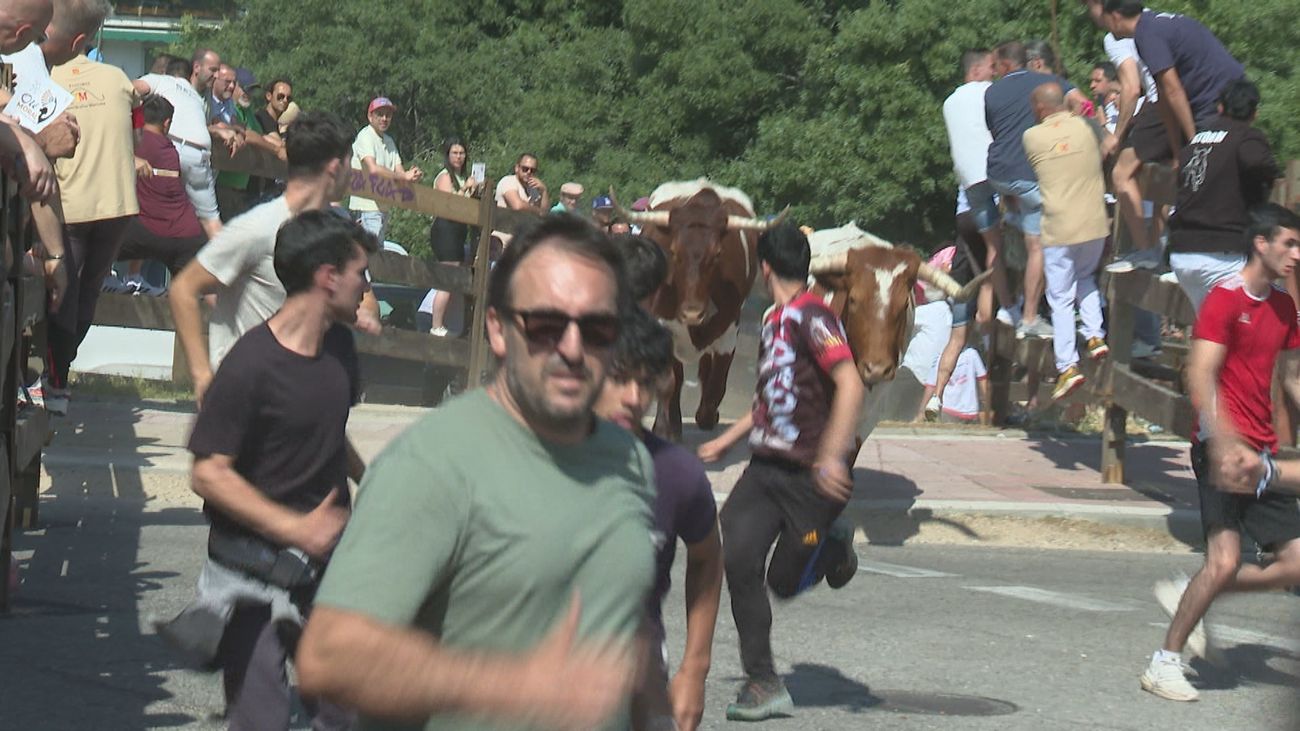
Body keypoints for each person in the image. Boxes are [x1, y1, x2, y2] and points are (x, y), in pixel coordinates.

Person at [295, 215, 656, 731]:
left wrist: (655, 708)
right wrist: (519, 686)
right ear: (498, 330)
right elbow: (328, 657)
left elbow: (619, 611)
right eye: (547, 326)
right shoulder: (433, 464)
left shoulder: (630, 458)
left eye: (596, 329)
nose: (573, 350)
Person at [156, 210, 374, 731]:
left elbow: (324, 430)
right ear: (327, 277)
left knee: (346, 714)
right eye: (361, 272)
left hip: (328, 574)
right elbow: (207, 474)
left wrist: (373, 482)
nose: (368, 286)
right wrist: (295, 528)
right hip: (251, 579)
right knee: (262, 719)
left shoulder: (341, 348)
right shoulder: (250, 365)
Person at [696, 223, 862, 722]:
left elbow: (850, 383)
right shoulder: (774, 319)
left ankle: (831, 543)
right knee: (738, 559)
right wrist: (727, 440)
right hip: (764, 470)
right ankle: (762, 680)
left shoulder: (815, 317)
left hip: (810, 480)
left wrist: (833, 456)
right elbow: (772, 393)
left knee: (784, 582)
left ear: (763, 268)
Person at [1140, 204, 1300, 702]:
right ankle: (1163, 663)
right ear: (1261, 244)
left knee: (1296, 564)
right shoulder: (1225, 300)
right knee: (1224, 561)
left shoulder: (1284, 307)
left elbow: (1293, 376)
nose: (1296, 254)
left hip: (1262, 452)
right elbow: (1200, 376)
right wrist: (1226, 442)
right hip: (1219, 448)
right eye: (1289, 244)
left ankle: (1195, 591)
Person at [168, 111, 375, 404]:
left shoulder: (341, 227)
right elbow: (183, 289)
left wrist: (362, 313)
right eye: (350, 161)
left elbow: (368, 301)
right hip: (247, 395)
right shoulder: (257, 227)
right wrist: (202, 375)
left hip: (305, 391)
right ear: (334, 166)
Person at [595, 307, 722, 731]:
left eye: (646, 381)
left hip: (639, 687)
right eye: (619, 377)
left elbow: (707, 558)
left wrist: (695, 669)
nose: (633, 397)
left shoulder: (676, 473)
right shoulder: (537, 460)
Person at [43, 1, 130, 416]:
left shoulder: (48, 76)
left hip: (70, 201)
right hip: (116, 202)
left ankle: (54, 378)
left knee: (63, 290)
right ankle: (62, 373)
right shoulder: (117, 78)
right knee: (88, 292)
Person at [984, 40, 1091, 340]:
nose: (994, 71)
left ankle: (1016, 298)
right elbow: (1084, 105)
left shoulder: (992, 92)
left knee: (1024, 219)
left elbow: (998, 133)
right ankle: (1030, 317)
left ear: (1005, 65)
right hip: (1030, 176)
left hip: (999, 175)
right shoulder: (1049, 82)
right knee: (1039, 248)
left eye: (996, 66)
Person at [1022, 82, 1110, 401]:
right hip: (1095, 222)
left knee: (1059, 296)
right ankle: (1096, 335)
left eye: (1034, 107)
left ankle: (1067, 366)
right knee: (1086, 278)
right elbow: (1106, 142)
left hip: (1060, 226)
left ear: (1041, 108)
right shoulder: (1087, 127)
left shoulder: (1031, 137)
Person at [1166, 80, 1279, 312]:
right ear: (1254, 113)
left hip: (1182, 253)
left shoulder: (1196, 140)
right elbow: (1258, 163)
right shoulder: (1247, 137)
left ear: (1220, 107)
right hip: (1222, 256)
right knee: (1257, 324)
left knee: (1212, 333)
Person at [1102, 1, 1245, 168]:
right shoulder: (1153, 24)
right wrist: (1178, 152)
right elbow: (1163, 96)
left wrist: (1194, 143)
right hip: (1230, 87)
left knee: (1208, 169)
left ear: (1115, 16)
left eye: (1105, 20)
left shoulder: (1147, 34)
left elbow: (1173, 91)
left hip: (1215, 94)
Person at [133, 48, 244, 239]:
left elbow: (130, 89)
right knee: (210, 221)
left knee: (153, 210)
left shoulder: (177, 88)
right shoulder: (179, 90)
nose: (216, 75)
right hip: (189, 154)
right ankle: (227, 266)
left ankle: (137, 267)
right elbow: (129, 89)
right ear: (195, 68)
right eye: (213, 69)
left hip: (182, 152)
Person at [118, 95, 207, 278]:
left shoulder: (127, 140)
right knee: (191, 290)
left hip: (139, 231)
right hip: (185, 234)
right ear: (166, 123)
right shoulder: (169, 151)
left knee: (95, 240)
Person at [347, 96, 422, 243]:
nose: (384, 118)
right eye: (380, 114)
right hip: (366, 206)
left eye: (388, 115)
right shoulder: (365, 136)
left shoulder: (389, 140)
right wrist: (403, 177)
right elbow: (373, 169)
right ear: (370, 117)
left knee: (377, 254)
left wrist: (411, 175)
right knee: (368, 254)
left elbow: (399, 170)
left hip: (383, 206)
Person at [426, 137, 478, 336]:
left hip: (458, 231)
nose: (459, 157)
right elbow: (450, 203)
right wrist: (465, 189)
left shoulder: (462, 178)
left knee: (454, 277)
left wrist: (473, 190)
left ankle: (449, 324)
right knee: (447, 279)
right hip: (445, 229)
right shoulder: (445, 177)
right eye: (454, 153)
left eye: (462, 153)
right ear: (448, 155)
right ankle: (436, 325)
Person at [491, 152, 547, 249]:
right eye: (525, 169)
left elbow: (545, 213)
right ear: (517, 168)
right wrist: (538, 211)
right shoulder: (508, 181)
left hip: (521, 244)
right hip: (501, 241)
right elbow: (517, 206)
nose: (528, 172)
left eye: (532, 170)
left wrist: (544, 191)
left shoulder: (533, 189)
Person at [924, 344, 989, 423]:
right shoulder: (972, 354)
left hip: (951, 410)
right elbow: (982, 380)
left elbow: (931, 386)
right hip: (964, 410)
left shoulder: (942, 356)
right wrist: (986, 404)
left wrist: (922, 411)